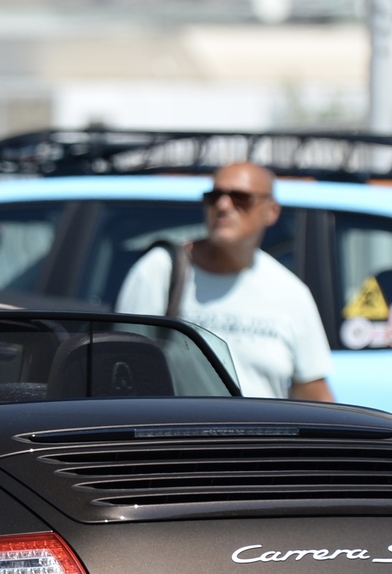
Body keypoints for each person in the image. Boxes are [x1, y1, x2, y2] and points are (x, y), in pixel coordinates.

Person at [114, 161, 334, 401]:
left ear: (272, 211)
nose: (223, 205)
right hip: (177, 437)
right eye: (214, 196)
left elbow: (314, 393)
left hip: (264, 438)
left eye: (240, 197)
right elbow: (123, 373)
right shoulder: (159, 270)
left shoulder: (291, 291)